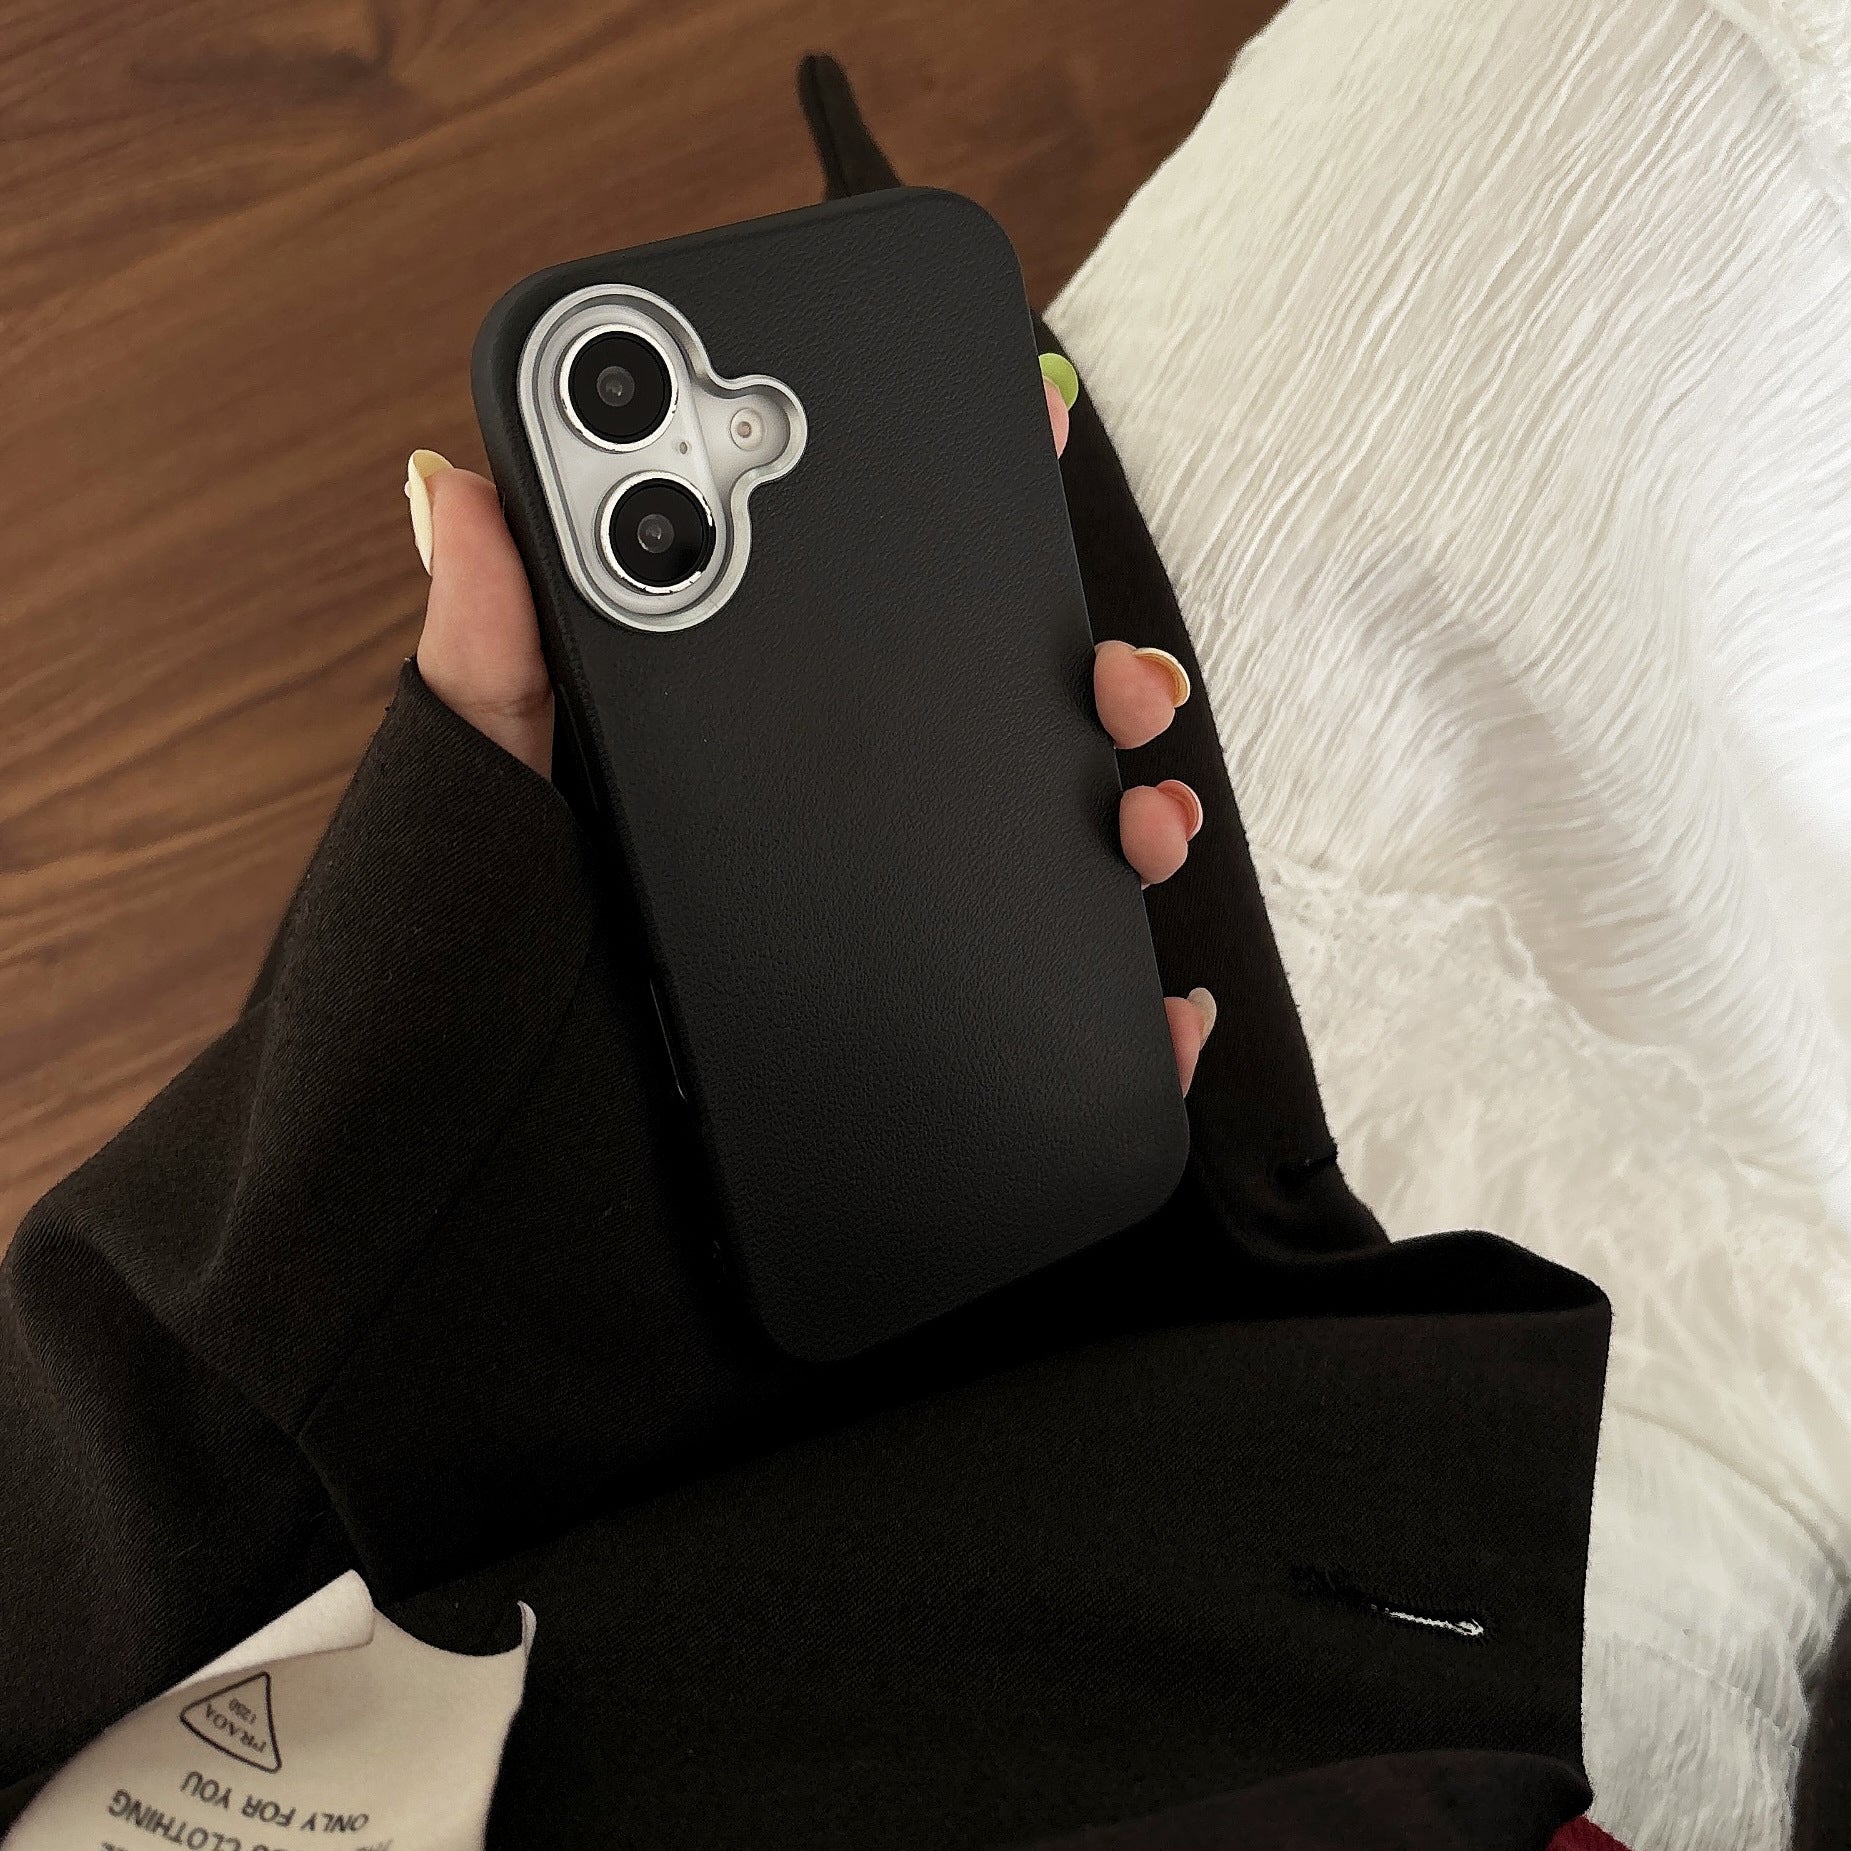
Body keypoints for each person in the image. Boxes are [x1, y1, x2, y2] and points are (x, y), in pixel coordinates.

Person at [2, 51, 1620, 1851]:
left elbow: (106, 1505)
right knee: (975, 500)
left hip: (1022, 1475)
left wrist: (393, 1109)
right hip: (1219, 1525)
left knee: (979, 513)